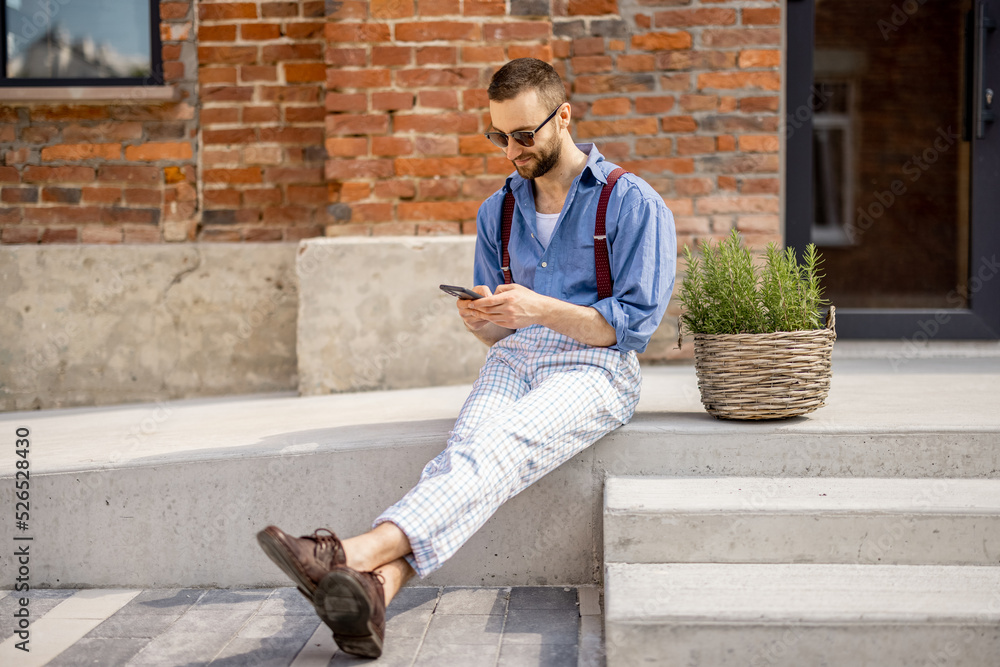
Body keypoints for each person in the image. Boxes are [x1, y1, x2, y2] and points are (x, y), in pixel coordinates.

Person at [257, 57, 676, 659]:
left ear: (564, 117)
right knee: (471, 453)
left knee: (497, 443)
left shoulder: (632, 204)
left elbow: (632, 329)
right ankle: (378, 589)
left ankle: (346, 554)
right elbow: (505, 332)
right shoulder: (496, 212)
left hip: (596, 367)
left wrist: (540, 308)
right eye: (498, 136)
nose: (511, 151)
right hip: (515, 360)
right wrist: (484, 322)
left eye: (524, 136)